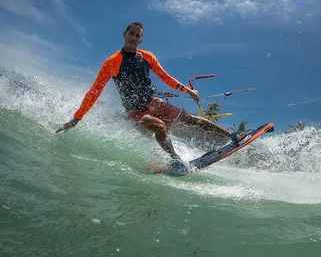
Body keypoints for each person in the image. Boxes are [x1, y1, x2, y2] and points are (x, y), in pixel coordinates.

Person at [55, 21, 245, 173]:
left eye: (138, 36)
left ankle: (232, 136)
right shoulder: (111, 63)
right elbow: (94, 92)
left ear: (140, 41)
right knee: (159, 126)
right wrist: (76, 118)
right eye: (131, 33)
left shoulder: (147, 57)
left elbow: (165, 78)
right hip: (135, 112)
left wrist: (188, 91)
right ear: (124, 35)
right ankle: (176, 160)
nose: (134, 38)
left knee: (191, 119)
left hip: (154, 103)